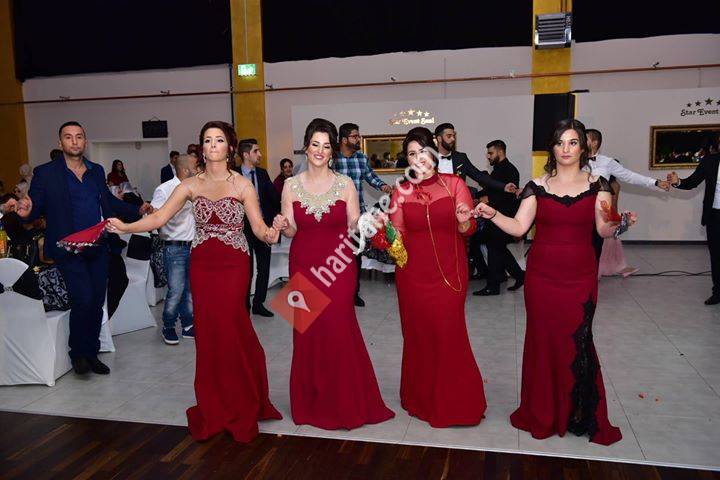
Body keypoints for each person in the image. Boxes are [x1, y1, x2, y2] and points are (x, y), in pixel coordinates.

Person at [106, 120, 282, 443]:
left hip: (234, 263)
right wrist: (126, 227)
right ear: (202, 148)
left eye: (219, 140)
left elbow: (259, 229)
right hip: (203, 265)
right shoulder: (189, 185)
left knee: (232, 327)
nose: (213, 145)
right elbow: (159, 218)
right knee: (210, 332)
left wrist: (273, 233)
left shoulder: (243, 185)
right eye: (207, 140)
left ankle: (243, 398)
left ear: (230, 147)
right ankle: (215, 403)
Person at [474, 119, 634, 446]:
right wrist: (493, 215)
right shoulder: (536, 186)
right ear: (553, 148)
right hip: (542, 278)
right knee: (544, 342)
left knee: (578, 340)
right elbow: (519, 227)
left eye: (573, 142)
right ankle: (543, 411)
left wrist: (621, 225)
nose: (566, 149)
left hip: (580, 276)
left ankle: (578, 412)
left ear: (583, 147)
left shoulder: (598, 185)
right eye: (560, 142)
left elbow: (603, 228)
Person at [273, 118, 394, 430]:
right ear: (306, 147)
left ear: (332, 152)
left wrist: (367, 222)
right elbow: (292, 229)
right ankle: (311, 402)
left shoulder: (345, 183)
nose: (320, 150)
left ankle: (344, 401)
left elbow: (353, 223)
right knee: (307, 333)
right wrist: (283, 226)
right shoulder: (290, 185)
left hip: (339, 266)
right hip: (303, 264)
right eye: (315, 144)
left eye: (326, 146)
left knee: (338, 327)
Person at [14, 121, 152, 376]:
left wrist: (137, 210)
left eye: (79, 137)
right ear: (60, 143)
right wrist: (26, 212)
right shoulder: (46, 173)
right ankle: (78, 354)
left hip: (97, 246)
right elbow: (36, 205)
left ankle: (91, 352)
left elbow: (107, 201)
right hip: (67, 248)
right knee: (83, 298)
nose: (74, 141)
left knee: (97, 300)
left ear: (85, 142)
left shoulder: (96, 170)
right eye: (68, 137)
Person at [389, 127, 486, 427]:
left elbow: (468, 229)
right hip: (412, 276)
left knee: (448, 333)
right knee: (419, 336)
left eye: (423, 151)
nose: (418, 158)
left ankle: (455, 400)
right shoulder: (400, 192)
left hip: (450, 273)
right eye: (411, 154)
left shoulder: (455, 184)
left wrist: (464, 222)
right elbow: (398, 238)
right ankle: (421, 397)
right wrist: (385, 237)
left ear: (433, 151)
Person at [585, 128, 669, 260]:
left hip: (599, 211)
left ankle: (593, 271)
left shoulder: (607, 162)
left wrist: (655, 182)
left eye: (584, 139)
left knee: (595, 246)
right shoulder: (573, 161)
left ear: (595, 142)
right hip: (578, 208)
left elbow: (629, 176)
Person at [334, 123, 393, 307]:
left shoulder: (361, 157)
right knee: (336, 256)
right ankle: (337, 293)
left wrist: (383, 186)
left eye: (358, 136)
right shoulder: (332, 159)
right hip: (335, 216)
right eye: (355, 136)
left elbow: (370, 176)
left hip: (356, 215)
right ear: (344, 140)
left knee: (356, 255)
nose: (358, 139)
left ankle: (354, 293)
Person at [151, 154, 198, 345]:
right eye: (196, 166)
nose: (199, 170)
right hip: (174, 247)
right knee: (176, 290)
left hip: (193, 246)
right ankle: (168, 326)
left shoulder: (195, 188)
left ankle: (187, 324)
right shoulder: (165, 189)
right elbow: (155, 217)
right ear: (185, 170)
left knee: (189, 290)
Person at [667, 139, 720, 305]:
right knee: (716, 256)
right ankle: (718, 292)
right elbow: (692, 182)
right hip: (715, 216)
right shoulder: (710, 161)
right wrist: (677, 182)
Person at [474, 140, 525, 296]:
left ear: (500, 152)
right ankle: (519, 275)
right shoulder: (497, 170)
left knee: (495, 249)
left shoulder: (510, 170)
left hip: (503, 217)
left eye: (491, 153)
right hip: (494, 216)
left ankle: (493, 286)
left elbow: (508, 196)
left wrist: (487, 200)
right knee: (497, 248)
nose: (488, 156)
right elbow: (491, 190)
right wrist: (478, 197)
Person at [236, 138, 280, 317]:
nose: (260, 154)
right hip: (242, 229)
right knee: (245, 269)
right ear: (246, 155)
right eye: (256, 151)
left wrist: (277, 218)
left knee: (264, 267)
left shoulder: (262, 173)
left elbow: (273, 198)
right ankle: (243, 305)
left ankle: (258, 304)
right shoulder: (234, 175)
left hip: (263, 226)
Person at [433, 123, 517, 194]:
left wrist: (503, 186)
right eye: (449, 136)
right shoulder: (429, 158)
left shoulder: (461, 158)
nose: (453, 139)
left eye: (453, 136)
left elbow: (479, 176)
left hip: (457, 202)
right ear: (439, 139)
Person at [598, 175, 639, 278]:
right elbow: (613, 205)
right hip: (605, 217)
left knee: (607, 243)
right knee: (610, 243)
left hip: (604, 217)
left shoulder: (609, 184)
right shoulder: (614, 185)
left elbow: (613, 204)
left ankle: (601, 268)